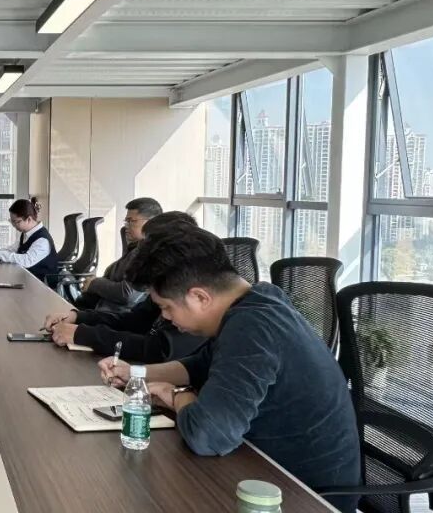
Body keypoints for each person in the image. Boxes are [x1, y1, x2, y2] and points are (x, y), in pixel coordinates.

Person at [98, 227, 361, 512]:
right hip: (261, 470)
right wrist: (136, 373)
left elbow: (207, 436)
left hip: (302, 496)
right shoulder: (258, 298)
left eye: (167, 307)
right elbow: (199, 364)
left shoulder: (252, 327)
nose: (165, 317)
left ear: (200, 297)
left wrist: (178, 396)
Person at [44, 211, 207, 362]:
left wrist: (85, 335)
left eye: (148, 246)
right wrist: (78, 317)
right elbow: (134, 320)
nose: (142, 253)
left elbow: (159, 350)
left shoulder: (195, 289)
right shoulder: (166, 280)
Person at [75, 197, 163, 312]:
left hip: (119, 317)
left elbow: (127, 294)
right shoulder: (135, 249)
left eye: (132, 221)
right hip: (102, 311)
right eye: (126, 221)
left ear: (151, 222)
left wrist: (94, 284)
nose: (127, 226)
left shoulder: (149, 253)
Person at [0, 197, 59, 283]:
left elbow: (26, 260)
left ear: (29, 219)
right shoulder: (26, 233)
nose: (13, 225)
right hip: (26, 279)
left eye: (16, 222)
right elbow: (13, 249)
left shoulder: (42, 240)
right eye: (12, 221)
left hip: (41, 284)